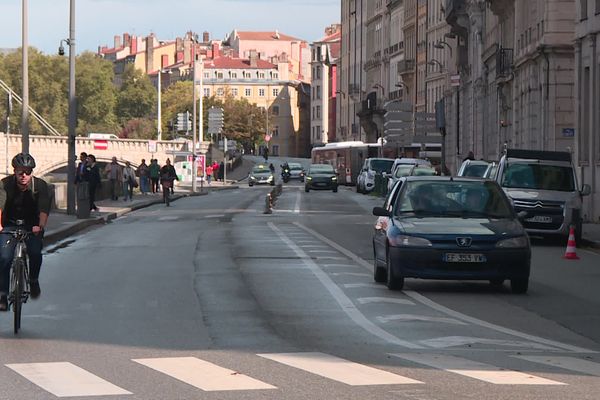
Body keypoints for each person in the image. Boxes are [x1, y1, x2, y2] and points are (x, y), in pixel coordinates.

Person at [0, 153, 51, 310]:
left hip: (32, 225)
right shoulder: (5, 184)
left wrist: (40, 226)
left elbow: (43, 209)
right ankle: (2, 294)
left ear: (32, 172)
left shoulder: (40, 186)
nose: (24, 176)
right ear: (14, 171)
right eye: (20, 172)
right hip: (9, 224)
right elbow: (0, 206)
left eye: (27, 172)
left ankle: (34, 280)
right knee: (4, 257)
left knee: (35, 253)